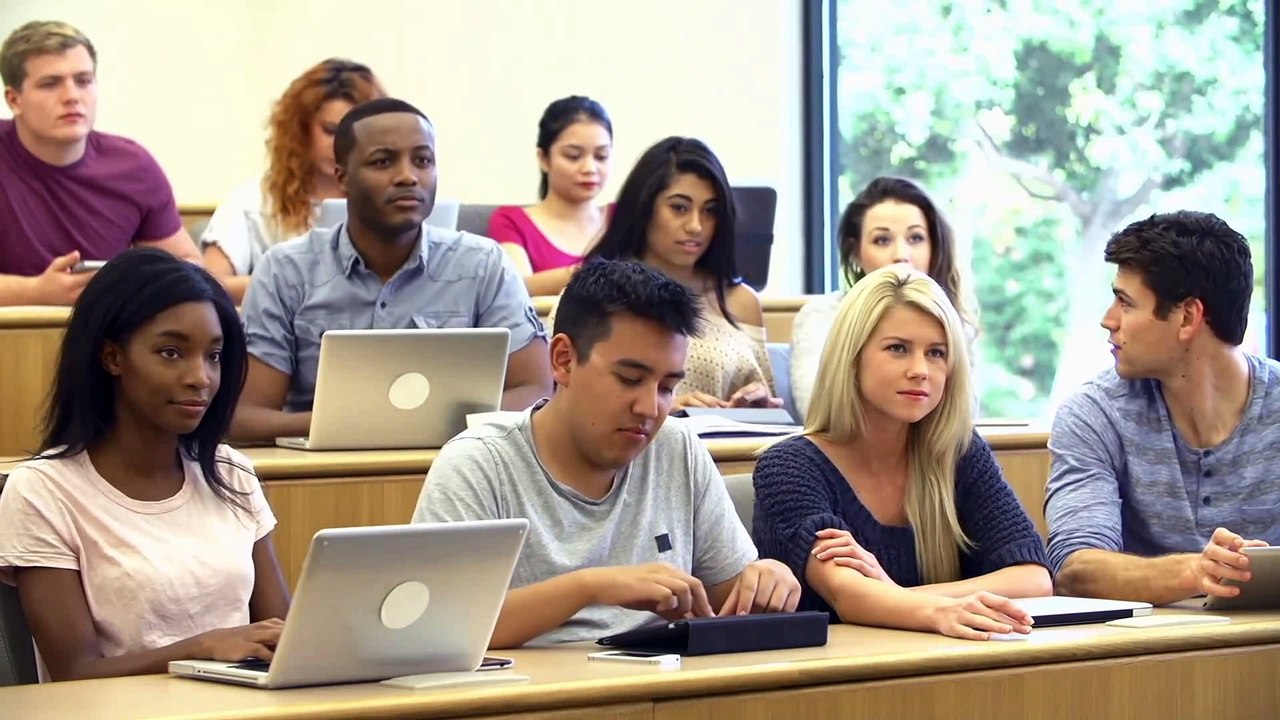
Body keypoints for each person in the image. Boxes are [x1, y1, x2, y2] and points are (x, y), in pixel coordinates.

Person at [412, 259, 800, 648]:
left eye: (667, 387)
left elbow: (728, 594)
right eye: (629, 379)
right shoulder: (478, 464)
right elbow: (440, 626)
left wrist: (765, 581)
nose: (650, 408)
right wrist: (589, 587)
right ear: (563, 360)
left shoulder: (677, 446)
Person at [0, 248, 290, 682]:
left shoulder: (232, 472)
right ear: (112, 357)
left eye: (213, 355)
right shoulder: (42, 489)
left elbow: (281, 635)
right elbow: (73, 672)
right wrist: (203, 648)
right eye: (172, 352)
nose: (201, 377)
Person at [753, 265, 1050, 641]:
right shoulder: (789, 467)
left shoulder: (957, 451)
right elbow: (849, 594)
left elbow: (1034, 577)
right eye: (898, 349)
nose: (920, 370)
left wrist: (894, 596)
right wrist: (923, 605)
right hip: (829, 681)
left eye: (937, 353)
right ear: (852, 356)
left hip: (940, 669)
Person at [233, 98, 551, 442]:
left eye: (423, 160)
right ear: (343, 177)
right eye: (383, 161)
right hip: (319, 475)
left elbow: (535, 390)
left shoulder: (483, 264)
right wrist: (357, 425)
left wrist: (413, 425)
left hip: (455, 465)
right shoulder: (286, 271)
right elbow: (246, 418)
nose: (407, 176)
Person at [1046, 211, 1280, 605]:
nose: (1108, 320)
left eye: (1125, 302)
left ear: (1187, 317)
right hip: (1149, 657)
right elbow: (1074, 568)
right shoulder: (1093, 413)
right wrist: (1196, 571)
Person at [0, 21, 200, 307]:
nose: (72, 97)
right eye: (50, 84)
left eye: (83, 81)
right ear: (14, 99)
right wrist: (35, 292)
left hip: (107, 336)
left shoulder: (133, 167)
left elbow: (191, 267)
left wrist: (136, 281)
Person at [580, 136, 781, 411]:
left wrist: (758, 400)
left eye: (710, 211)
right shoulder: (594, 293)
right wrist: (666, 408)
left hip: (731, 449)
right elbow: (569, 402)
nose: (696, 226)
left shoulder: (740, 301)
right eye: (679, 208)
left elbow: (768, 409)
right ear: (644, 207)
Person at [201, 59, 385, 303]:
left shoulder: (385, 198)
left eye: (352, 133)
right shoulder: (254, 201)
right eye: (330, 130)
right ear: (300, 129)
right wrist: (291, 283)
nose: (340, 145)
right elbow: (211, 283)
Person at [790, 177, 976, 418]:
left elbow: (963, 418)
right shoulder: (822, 316)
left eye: (915, 238)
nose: (901, 255)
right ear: (855, 252)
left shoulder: (955, 320)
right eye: (882, 240)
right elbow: (819, 411)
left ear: (934, 248)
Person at [487, 95, 613, 297]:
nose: (590, 168)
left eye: (601, 156)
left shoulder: (623, 214)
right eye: (573, 156)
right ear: (544, 158)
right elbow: (517, 289)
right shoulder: (511, 220)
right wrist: (603, 274)